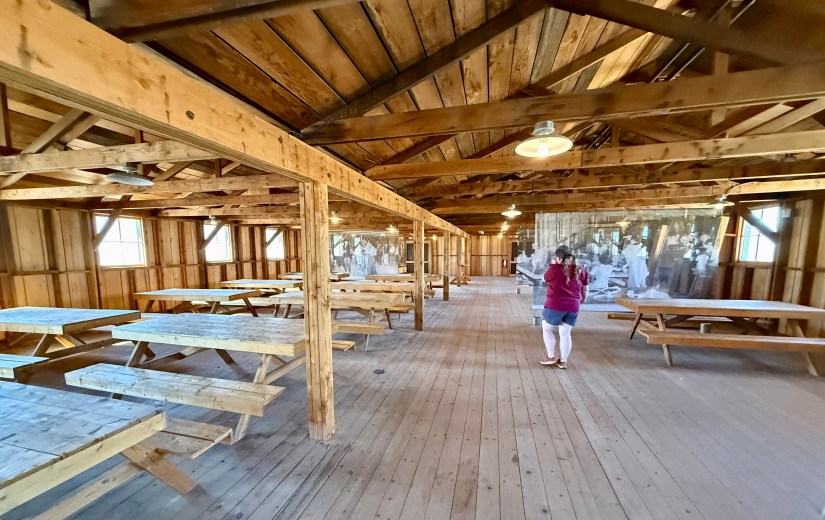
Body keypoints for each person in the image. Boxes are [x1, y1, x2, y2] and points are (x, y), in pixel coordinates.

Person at [540, 249, 589, 369]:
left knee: (546, 328)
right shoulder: (581, 270)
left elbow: (543, 278)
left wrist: (553, 265)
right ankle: (563, 361)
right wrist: (582, 300)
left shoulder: (554, 269)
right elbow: (586, 288)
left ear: (559, 258)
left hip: (555, 305)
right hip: (573, 306)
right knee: (565, 333)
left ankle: (551, 357)